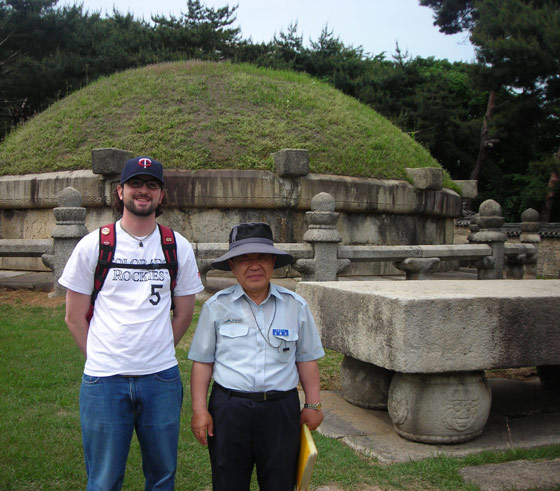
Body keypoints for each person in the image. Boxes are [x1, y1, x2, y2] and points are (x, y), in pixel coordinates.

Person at [59, 156, 204, 490]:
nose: (144, 191)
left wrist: (157, 348)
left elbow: (184, 312)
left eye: (152, 185)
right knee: (104, 479)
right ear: (120, 190)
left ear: (161, 195)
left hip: (161, 380)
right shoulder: (94, 244)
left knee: (163, 475)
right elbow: (73, 317)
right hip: (105, 381)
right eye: (136, 184)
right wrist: (100, 355)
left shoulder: (176, 246)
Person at [188, 222, 324, 491]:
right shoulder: (216, 308)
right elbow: (203, 363)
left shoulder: (295, 306)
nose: (254, 266)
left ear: (273, 262)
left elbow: (306, 358)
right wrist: (199, 410)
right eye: (244, 259)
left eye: (261, 257)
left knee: (280, 482)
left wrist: (314, 404)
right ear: (233, 266)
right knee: (228, 482)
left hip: (280, 411)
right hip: (229, 410)